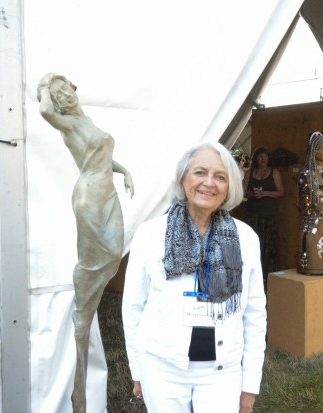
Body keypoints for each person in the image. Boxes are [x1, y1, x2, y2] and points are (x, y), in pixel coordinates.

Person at [122, 142, 266, 413]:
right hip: (162, 367)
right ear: (183, 179)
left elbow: (255, 314)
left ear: (229, 187)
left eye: (220, 177)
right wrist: (138, 368)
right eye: (200, 172)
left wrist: (250, 383)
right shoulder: (150, 234)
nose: (209, 183)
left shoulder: (245, 238)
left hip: (222, 372)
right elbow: (133, 307)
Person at [37, 72, 134, 412]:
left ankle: (85, 308)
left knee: (114, 251)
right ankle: (83, 315)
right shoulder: (66, 123)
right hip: (90, 195)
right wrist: (45, 85)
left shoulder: (86, 121)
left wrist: (124, 171)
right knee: (102, 255)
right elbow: (45, 111)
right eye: (59, 92)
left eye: (66, 88)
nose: (64, 95)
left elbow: (104, 152)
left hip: (108, 191)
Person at [296, 132, 323, 275]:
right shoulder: (306, 176)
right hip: (313, 223)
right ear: (314, 150)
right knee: (314, 258)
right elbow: (303, 203)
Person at [242, 147, 284, 283]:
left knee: (269, 245)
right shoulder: (249, 173)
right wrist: (252, 194)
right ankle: (251, 272)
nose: (263, 159)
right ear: (256, 159)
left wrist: (265, 193)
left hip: (269, 215)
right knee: (253, 244)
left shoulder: (274, 172)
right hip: (253, 214)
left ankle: (268, 275)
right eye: (260, 156)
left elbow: (280, 192)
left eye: (265, 156)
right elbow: (243, 193)